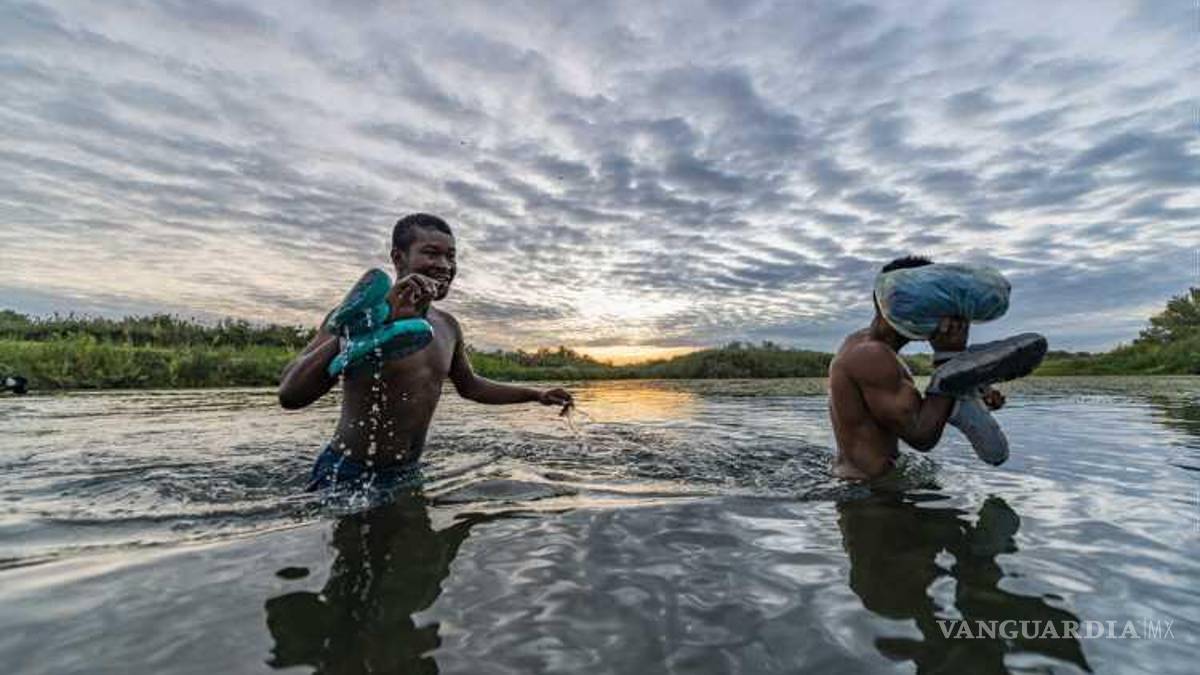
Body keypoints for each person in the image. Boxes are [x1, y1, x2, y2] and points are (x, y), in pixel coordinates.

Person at [278, 213, 573, 489]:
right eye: (431, 253)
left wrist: (536, 394)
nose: (445, 265)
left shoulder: (447, 326)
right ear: (398, 257)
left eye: (451, 256)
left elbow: (471, 386)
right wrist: (372, 324)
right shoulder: (356, 316)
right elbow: (290, 395)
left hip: (408, 472)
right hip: (347, 474)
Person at [828, 256, 1004, 480]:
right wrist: (948, 358)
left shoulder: (864, 343)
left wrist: (970, 390)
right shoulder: (871, 355)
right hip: (872, 498)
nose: (943, 316)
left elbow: (915, 409)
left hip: (870, 486)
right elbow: (922, 435)